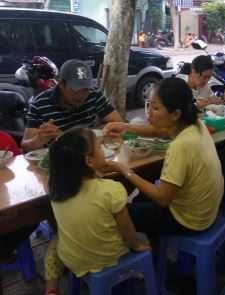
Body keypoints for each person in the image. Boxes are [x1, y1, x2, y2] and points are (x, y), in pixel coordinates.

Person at [104, 78, 224, 237]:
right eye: (149, 105)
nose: (149, 112)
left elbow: (162, 199)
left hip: (189, 221)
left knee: (119, 213)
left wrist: (126, 171)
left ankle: (143, 249)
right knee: (142, 193)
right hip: (206, 212)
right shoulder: (194, 125)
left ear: (175, 114)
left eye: (155, 108)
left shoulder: (181, 146)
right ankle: (153, 242)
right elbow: (161, 132)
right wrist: (125, 127)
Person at [44, 128, 150, 295]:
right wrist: (137, 245)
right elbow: (127, 229)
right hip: (107, 257)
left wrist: (95, 171)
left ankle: (51, 289)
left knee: (55, 243)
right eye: (100, 147)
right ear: (88, 161)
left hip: (72, 259)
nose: (103, 149)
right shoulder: (111, 190)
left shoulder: (54, 186)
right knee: (140, 237)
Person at [22, 59, 123, 152]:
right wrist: (39, 139)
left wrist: (103, 131)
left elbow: (118, 122)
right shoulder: (40, 104)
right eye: (75, 89)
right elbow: (25, 148)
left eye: (85, 89)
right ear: (61, 84)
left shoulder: (94, 94)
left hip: (88, 152)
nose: (81, 95)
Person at [0, 132, 38, 264]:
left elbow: (19, 164)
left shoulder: (4, 138)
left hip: (9, 196)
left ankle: (5, 250)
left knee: (32, 215)